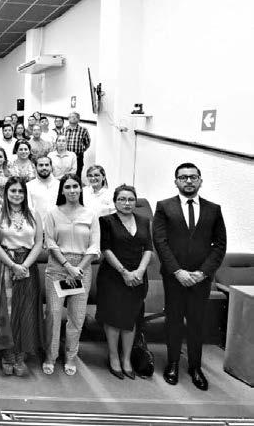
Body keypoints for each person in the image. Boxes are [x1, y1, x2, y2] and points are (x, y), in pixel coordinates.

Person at [153, 163, 226, 391]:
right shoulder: (164, 207)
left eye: (193, 177)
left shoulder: (213, 209)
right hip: (174, 277)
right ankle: (173, 363)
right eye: (183, 177)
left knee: (197, 323)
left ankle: (195, 367)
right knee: (174, 321)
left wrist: (203, 273)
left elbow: (219, 245)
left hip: (200, 278)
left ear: (200, 181)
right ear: (176, 181)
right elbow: (160, 242)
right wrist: (178, 271)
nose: (188, 181)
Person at [0, 177, 43, 376]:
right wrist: (13, 265)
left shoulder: (34, 213)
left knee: (25, 309)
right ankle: (7, 353)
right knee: (5, 310)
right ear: (6, 192)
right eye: (13, 190)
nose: (17, 194)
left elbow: (38, 243)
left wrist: (24, 266)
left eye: (20, 191)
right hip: (4, 264)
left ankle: (20, 354)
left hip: (27, 265)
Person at [41, 173, 100, 376]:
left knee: (76, 317)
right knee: (53, 314)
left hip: (82, 270)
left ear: (80, 189)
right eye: (68, 187)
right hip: (58, 268)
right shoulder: (53, 213)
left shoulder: (91, 214)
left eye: (75, 186)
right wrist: (68, 266)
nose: (72, 190)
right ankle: (50, 356)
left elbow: (94, 246)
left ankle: (71, 356)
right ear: (62, 190)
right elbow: (50, 242)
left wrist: (78, 268)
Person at [97, 185, 153, 380]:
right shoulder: (106, 221)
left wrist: (140, 271)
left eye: (130, 199)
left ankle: (126, 359)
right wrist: (124, 272)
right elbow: (106, 249)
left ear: (135, 202)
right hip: (113, 276)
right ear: (115, 202)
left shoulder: (144, 221)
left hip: (138, 277)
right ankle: (114, 357)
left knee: (130, 319)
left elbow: (149, 248)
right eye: (122, 199)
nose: (126, 203)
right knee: (113, 319)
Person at [64, 112, 91, 180]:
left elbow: (87, 143)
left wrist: (82, 151)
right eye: (71, 117)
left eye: (75, 117)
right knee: (65, 175)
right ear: (68, 119)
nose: (73, 118)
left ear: (78, 119)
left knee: (77, 175)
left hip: (78, 157)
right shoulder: (64, 129)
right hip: (65, 156)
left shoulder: (83, 130)